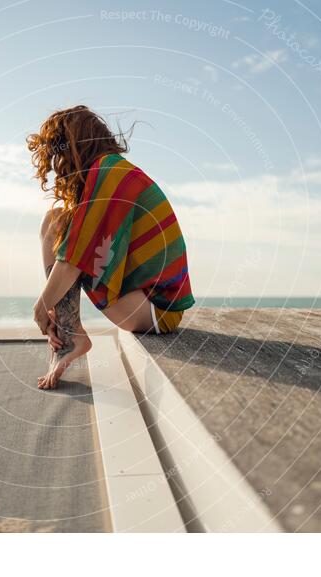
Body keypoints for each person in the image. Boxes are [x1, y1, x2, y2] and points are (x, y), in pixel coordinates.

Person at [28, 105, 194, 389]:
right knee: (56, 222)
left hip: (156, 310)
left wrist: (43, 306)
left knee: (60, 232)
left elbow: (75, 257)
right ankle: (70, 335)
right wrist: (53, 305)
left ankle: (70, 338)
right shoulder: (109, 170)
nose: (57, 162)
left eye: (58, 150)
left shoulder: (108, 172)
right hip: (147, 302)